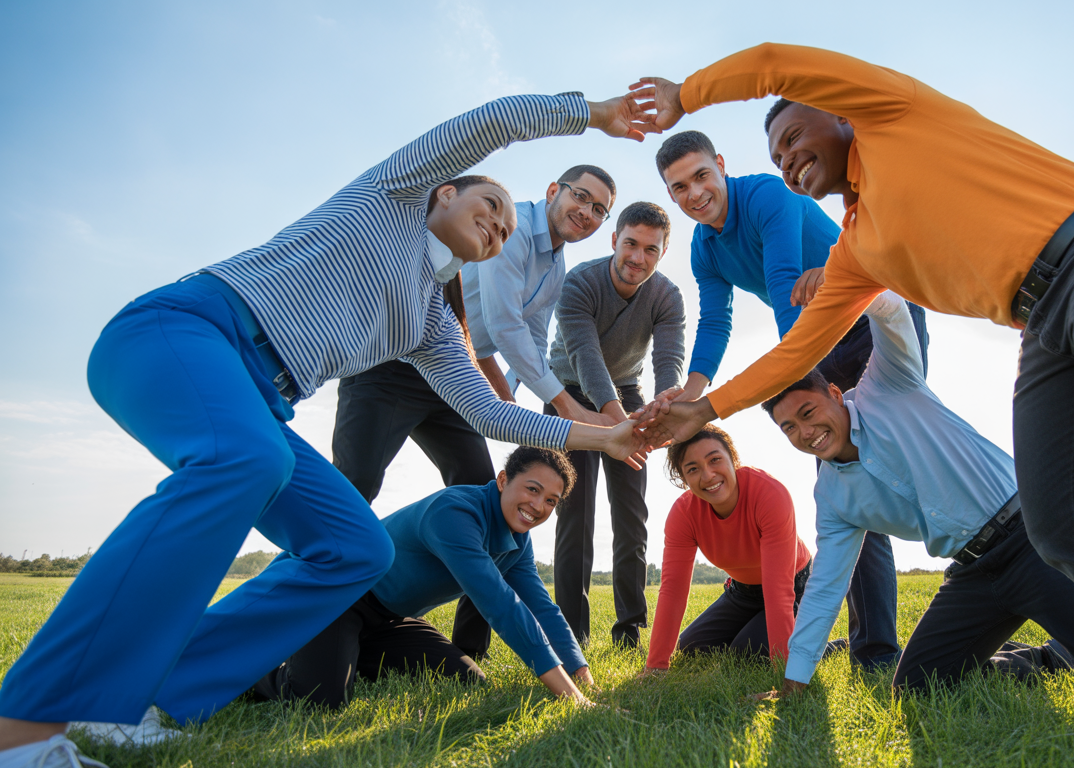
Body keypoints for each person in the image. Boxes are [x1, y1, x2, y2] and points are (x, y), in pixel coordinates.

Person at [630, 44, 1074, 763]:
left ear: (842, 116)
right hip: (1044, 319)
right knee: (1064, 522)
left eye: (792, 140)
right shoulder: (857, 246)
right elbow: (793, 354)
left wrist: (687, 95)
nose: (786, 160)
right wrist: (703, 407)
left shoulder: (893, 115)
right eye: (777, 155)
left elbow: (779, 62)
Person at [0, 91, 654, 768]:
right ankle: (23, 729)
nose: (495, 226)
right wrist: (593, 114)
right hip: (184, 331)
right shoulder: (389, 198)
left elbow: (487, 412)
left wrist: (604, 438)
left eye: (500, 229)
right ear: (443, 193)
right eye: (485, 208)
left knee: (357, 547)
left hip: (259, 405)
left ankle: (154, 695)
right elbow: (491, 123)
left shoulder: (431, 319)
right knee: (249, 463)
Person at [756, 292, 1074, 705]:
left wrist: (842, 286)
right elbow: (826, 587)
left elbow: (893, 311)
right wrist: (795, 680)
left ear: (833, 393)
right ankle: (1049, 657)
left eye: (807, 413)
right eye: (789, 428)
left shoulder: (889, 385)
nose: (805, 432)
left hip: (1033, 544)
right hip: (973, 574)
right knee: (916, 689)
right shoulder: (832, 497)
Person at [329, 164, 617, 660]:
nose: (586, 213)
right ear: (553, 191)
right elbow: (505, 327)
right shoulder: (517, 230)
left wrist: (507, 395)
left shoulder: (556, 266)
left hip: (453, 372)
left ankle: (470, 651)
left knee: (491, 508)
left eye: (599, 209)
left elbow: (533, 336)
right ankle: (312, 617)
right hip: (389, 371)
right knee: (351, 492)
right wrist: (568, 408)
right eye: (581, 198)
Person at [655, 129, 910, 670]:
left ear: (721, 165)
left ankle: (880, 647)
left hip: (869, 325)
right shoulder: (705, 248)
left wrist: (796, 379)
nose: (695, 193)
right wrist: (690, 398)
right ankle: (873, 651)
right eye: (679, 188)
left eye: (702, 175)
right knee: (847, 483)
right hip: (813, 345)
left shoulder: (766, 195)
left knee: (871, 472)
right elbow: (717, 322)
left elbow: (784, 288)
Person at [249, 447, 595, 709]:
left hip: (390, 620)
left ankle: (347, 654)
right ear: (503, 480)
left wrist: (580, 672)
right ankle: (257, 671)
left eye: (551, 500)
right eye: (532, 490)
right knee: (321, 701)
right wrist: (571, 696)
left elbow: (541, 608)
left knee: (467, 680)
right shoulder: (454, 513)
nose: (539, 506)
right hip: (340, 599)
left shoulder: (517, 541)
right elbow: (500, 605)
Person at [546, 201, 686, 647]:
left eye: (650, 249)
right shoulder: (581, 283)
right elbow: (585, 359)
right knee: (575, 514)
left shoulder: (666, 295)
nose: (637, 257)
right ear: (614, 240)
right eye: (630, 244)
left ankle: (630, 629)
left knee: (631, 517)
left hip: (628, 395)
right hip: (569, 396)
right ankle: (573, 634)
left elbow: (668, 361)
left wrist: (664, 409)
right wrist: (616, 425)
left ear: (662, 253)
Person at [643, 425, 844, 672]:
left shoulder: (769, 494)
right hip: (742, 593)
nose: (707, 476)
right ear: (683, 478)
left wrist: (787, 675)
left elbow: (778, 591)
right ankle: (758, 628)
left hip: (794, 585)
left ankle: (825, 647)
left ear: (733, 459)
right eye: (693, 469)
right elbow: (672, 589)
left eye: (715, 460)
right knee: (691, 648)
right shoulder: (683, 515)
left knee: (746, 654)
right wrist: (656, 665)